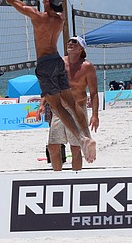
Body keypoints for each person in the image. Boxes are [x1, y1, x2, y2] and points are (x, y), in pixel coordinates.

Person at [0, 0, 96, 163]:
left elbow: (10, 0)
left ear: (45, 0)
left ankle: (80, 138)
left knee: (58, 108)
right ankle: (87, 135)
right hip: (57, 60)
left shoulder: (37, 17)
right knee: (70, 103)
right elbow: (60, 5)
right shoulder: (60, 19)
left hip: (45, 64)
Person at [46, 36, 99, 171]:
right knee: (53, 146)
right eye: (69, 41)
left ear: (81, 48)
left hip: (77, 108)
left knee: (75, 148)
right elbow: (51, 85)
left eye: (74, 42)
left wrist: (95, 115)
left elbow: (94, 92)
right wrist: (43, 104)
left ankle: (75, 176)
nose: (70, 43)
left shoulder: (87, 67)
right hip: (59, 109)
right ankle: (58, 176)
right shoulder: (60, 63)